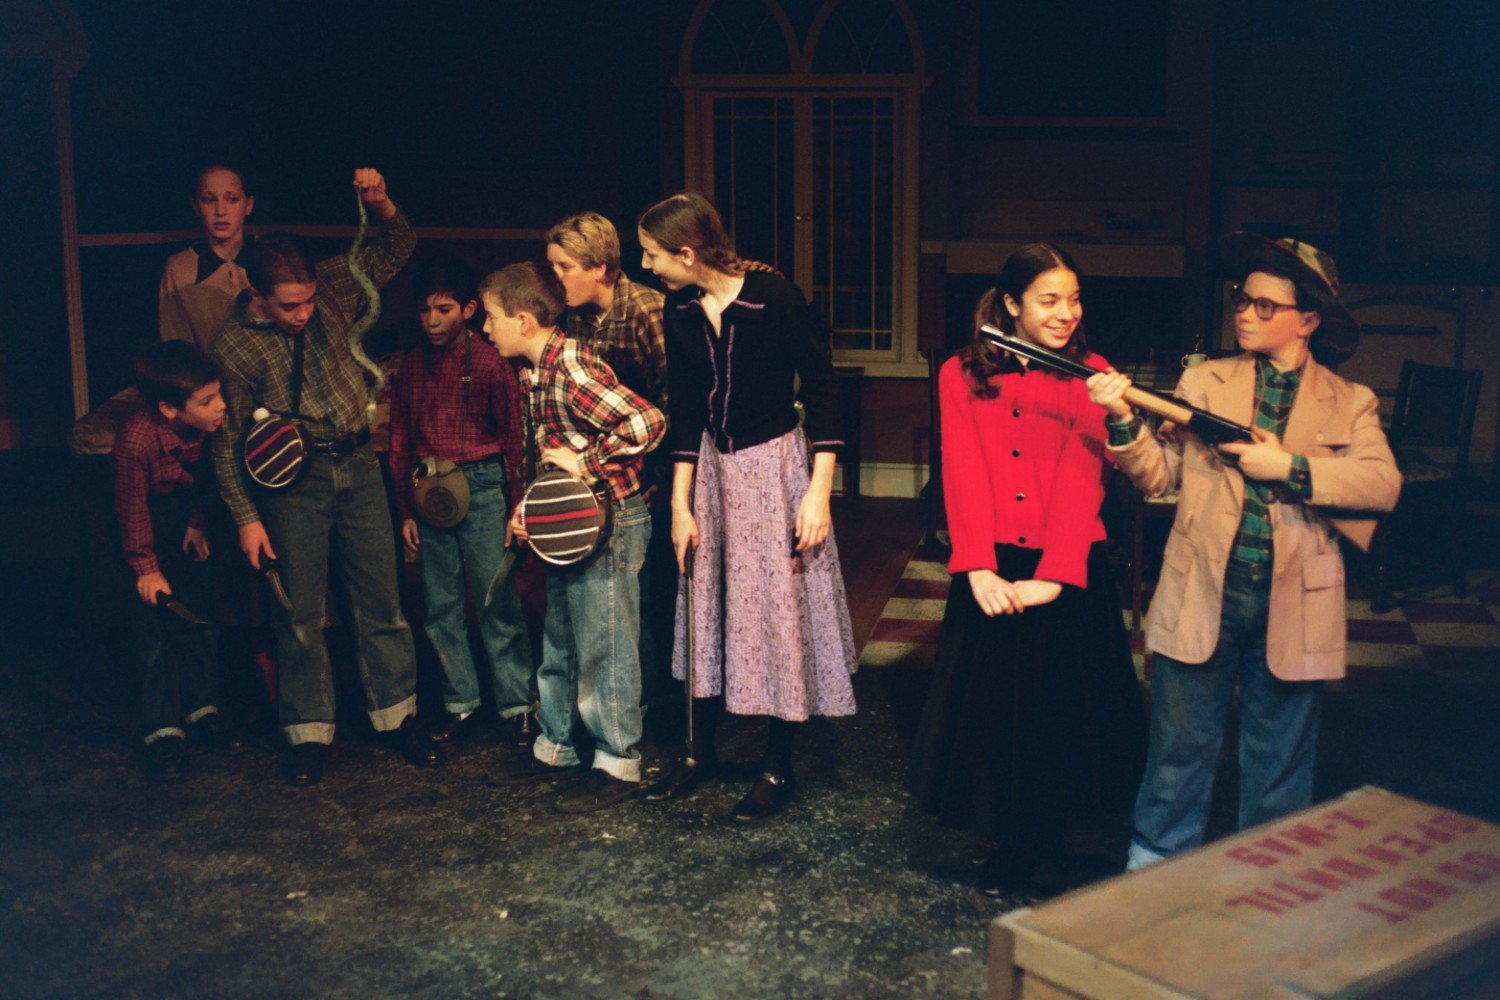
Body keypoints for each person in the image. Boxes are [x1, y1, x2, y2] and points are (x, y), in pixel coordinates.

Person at [1086, 233, 1401, 870]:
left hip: (1293, 598)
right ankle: (1150, 884)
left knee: (1280, 766)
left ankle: (1266, 890)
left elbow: (1382, 485)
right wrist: (1121, 418)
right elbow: (1159, 477)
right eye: (1241, 300)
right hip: (1204, 588)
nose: (1245, 314)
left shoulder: (1351, 401)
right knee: (1177, 755)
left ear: (1308, 320)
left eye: (1264, 306)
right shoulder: (1204, 380)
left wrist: (1285, 465)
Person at [906, 245, 1147, 897]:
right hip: (994, 563)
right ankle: (1010, 844)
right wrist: (977, 568)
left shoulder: (1091, 373)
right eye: (1049, 300)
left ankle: (1060, 847)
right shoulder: (960, 373)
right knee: (995, 718)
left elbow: (1082, 477)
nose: (1067, 312)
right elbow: (963, 471)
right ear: (1011, 304)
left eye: (1074, 298)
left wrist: (1054, 576)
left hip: (1065, 567)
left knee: (1062, 719)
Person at [211, 167, 441, 786]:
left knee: (381, 601)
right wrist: (245, 518)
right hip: (290, 485)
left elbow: (397, 246)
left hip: (358, 462)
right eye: (289, 305)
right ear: (257, 296)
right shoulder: (235, 345)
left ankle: (396, 717)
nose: (303, 312)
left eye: (309, 299)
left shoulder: (337, 288)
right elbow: (228, 439)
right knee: (299, 611)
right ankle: (308, 733)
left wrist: (381, 201)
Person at [635, 191, 857, 824]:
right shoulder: (678, 309)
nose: (648, 266)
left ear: (686, 252)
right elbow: (684, 412)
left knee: (777, 610)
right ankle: (697, 753)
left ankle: (775, 765)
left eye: (653, 255)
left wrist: (818, 493)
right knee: (706, 604)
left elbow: (824, 394)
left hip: (775, 469)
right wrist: (680, 506)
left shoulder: (774, 301)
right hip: (712, 470)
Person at [480, 262, 666, 813]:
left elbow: (647, 422)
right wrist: (529, 509)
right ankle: (556, 745)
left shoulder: (570, 369)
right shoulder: (535, 369)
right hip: (569, 521)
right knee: (560, 633)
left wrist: (588, 461)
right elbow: (548, 448)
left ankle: (617, 760)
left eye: (490, 317)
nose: (485, 329)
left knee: (605, 639)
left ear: (523, 320)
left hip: (610, 518)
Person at [387, 258, 534, 749]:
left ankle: (516, 704)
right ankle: (460, 703)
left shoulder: (493, 365)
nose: (432, 320)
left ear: (469, 310)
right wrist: (405, 508)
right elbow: (400, 436)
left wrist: (517, 508)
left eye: (444, 309)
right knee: (440, 605)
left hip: (485, 486)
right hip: (430, 490)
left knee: (496, 600)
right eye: (425, 310)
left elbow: (515, 440)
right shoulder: (411, 366)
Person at [545, 212, 674, 715]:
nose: (556, 277)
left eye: (564, 266)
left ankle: (647, 703)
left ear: (598, 268)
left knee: (646, 592)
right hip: (605, 477)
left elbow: (673, 407)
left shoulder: (646, 310)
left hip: (651, 471)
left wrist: (662, 483)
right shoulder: (576, 318)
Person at [114, 341, 240, 780]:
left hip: (187, 522)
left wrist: (198, 523)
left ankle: (203, 710)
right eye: (207, 401)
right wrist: (146, 568)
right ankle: (163, 730)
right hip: (148, 533)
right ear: (169, 408)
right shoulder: (137, 440)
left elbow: (210, 479)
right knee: (156, 635)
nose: (220, 406)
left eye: (218, 394)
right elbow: (132, 508)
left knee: (199, 620)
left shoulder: (209, 427)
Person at [160, 163, 254, 352]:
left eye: (232, 199)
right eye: (209, 200)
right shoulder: (179, 268)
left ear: (248, 205)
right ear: (196, 205)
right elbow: (177, 346)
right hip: (207, 378)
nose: (221, 211)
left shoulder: (272, 257)